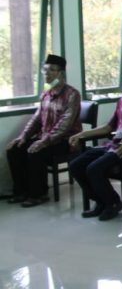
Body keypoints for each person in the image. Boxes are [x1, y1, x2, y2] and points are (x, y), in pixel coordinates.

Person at [5, 54, 82, 207]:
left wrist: (43, 142)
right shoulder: (46, 93)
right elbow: (36, 118)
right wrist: (23, 136)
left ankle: (38, 194)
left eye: (52, 70)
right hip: (46, 138)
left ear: (61, 73)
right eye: (45, 70)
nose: (47, 73)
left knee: (35, 152)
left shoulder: (72, 94)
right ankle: (21, 191)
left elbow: (64, 125)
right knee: (15, 149)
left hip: (66, 141)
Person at [68, 66, 122, 221]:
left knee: (94, 168)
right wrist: (82, 134)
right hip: (112, 145)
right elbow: (108, 127)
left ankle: (113, 203)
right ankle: (101, 201)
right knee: (75, 165)